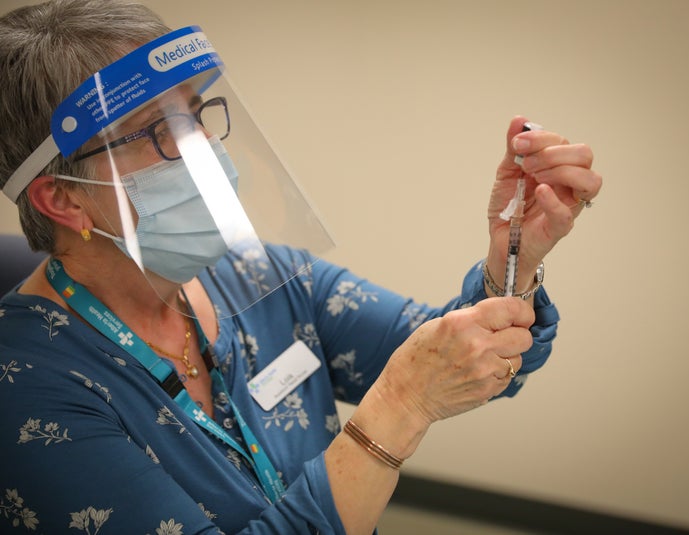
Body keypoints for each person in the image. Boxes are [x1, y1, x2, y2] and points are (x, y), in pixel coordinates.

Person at [0, 1, 601, 533]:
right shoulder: (25, 386)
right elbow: (414, 385)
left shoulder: (260, 279)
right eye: (156, 132)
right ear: (63, 198)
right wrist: (398, 407)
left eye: (194, 115)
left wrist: (512, 258)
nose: (204, 148)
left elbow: (473, 365)